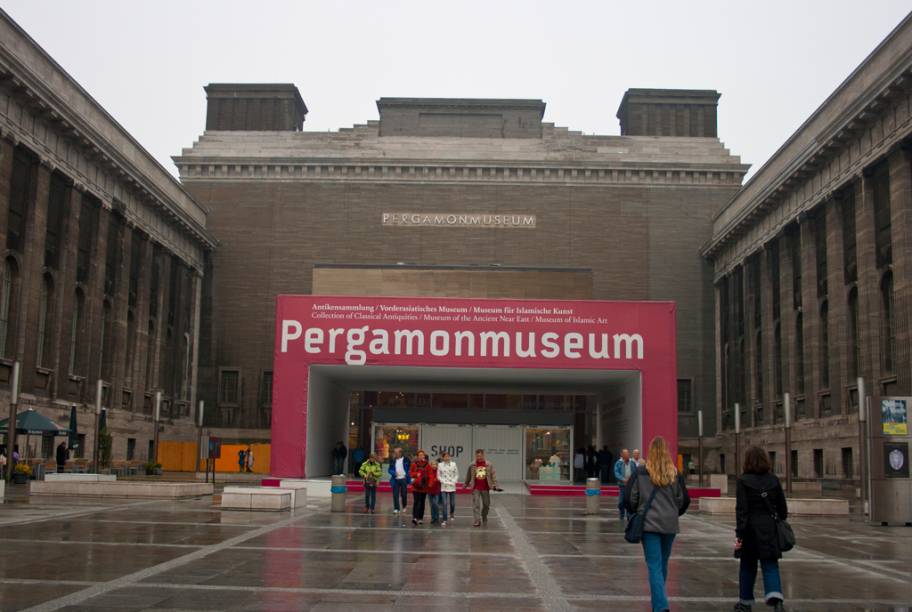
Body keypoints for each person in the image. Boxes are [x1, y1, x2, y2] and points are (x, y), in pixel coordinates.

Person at [629, 436, 687, 612]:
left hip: (649, 524)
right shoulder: (674, 473)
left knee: (654, 565)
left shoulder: (641, 472)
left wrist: (637, 509)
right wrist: (672, 512)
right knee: (663, 563)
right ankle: (659, 603)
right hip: (669, 524)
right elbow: (682, 499)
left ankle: (661, 606)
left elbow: (632, 498)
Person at [734, 446, 788, 612]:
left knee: (747, 566)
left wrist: (739, 535)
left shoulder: (743, 480)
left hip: (750, 529)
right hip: (769, 528)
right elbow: (783, 509)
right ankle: (776, 599)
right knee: (770, 565)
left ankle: (745, 602)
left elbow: (742, 510)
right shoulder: (773, 480)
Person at [465, 448, 497, 527]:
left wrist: (494, 484)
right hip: (476, 487)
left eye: (480, 456)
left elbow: (493, 475)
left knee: (486, 504)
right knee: (476, 504)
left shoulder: (489, 464)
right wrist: (466, 484)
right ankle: (477, 521)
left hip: (485, 487)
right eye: (477, 456)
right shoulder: (472, 465)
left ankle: (484, 516)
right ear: (475, 456)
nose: (479, 457)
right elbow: (468, 475)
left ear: (483, 455)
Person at [409, 450, 432, 526]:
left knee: (422, 502)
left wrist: (430, 484)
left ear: (424, 456)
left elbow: (430, 474)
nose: (421, 456)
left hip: (424, 487)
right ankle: (415, 517)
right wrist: (416, 474)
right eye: (420, 455)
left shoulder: (427, 465)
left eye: (422, 455)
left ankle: (420, 518)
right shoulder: (414, 464)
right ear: (417, 456)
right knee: (416, 502)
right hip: (416, 486)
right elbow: (411, 474)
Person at [613, 449, 637, 519]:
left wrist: (631, 479)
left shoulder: (632, 462)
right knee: (621, 501)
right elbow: (616, 473)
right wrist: (623, 479)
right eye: (626, 454)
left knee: (629, 500)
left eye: (628, 453)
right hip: (622, 485)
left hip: (630, 485)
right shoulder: (618, 463)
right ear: (622, 455)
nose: (627, 455)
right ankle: (622, 515)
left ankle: (629, 515)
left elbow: (635, 472)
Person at [437, 450, 459, 524]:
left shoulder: (454, 464)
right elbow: (438, 475)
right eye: (445, 456)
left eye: (448, 456)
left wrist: (454, 481)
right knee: (444, 503)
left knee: (452, 503)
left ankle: (452, 513)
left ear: (450, 457)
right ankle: (444, 519)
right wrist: (443, 481)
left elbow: (456, 474)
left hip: (452, 486)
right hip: (444, 486)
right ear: (443, 458)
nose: (447, 458)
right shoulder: (440, 465)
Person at [388, 447, 410, 514]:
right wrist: (393, 473)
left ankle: (404, 506)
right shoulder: (392, 460)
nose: (395, 454)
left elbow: (410, 468)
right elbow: (389, 470)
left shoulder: (406, 460)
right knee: (395, 494)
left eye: (396, 453)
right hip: (395, 479)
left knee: (404, 494)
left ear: (400, 453)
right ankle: (396, 508)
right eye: (394, 453)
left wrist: (408, 476)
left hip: (403, 478)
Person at [428, 459, 444, 525]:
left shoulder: (439, 472)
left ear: (437, 466)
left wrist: (438, 480)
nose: (434, 466)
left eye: (435, 464)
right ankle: (433, 518)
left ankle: (436, 518)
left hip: (437, 491)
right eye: (433, 464)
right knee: (432, 505)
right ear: (430, 465)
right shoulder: (428, 472)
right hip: (430, 490)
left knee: (435, 504)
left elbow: (441, 480)